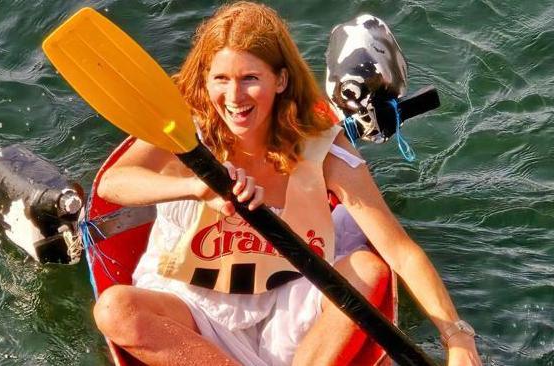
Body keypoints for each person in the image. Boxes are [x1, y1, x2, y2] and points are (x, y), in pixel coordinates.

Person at [93, 2, 482, 365]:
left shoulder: (322, 149)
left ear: (280, 79)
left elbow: (399, 251)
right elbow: (114, 183)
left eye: (250, 78)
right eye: (221, 79)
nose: (233, 96)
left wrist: (458, 338)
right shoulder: (184, 123)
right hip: (190, 306)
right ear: (205, 81)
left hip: (289, 305)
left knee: (368, 269)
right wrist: (196, 188)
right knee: (115, 309)